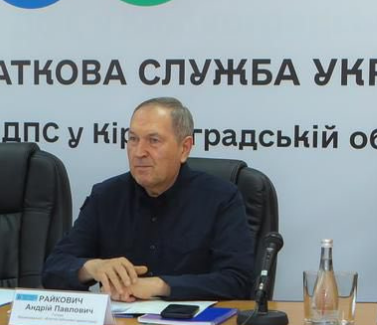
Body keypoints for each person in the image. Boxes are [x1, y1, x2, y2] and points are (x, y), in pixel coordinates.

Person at [42, 97, 253, 301]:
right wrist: (93, 268)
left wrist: (160, 286)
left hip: (193, 324)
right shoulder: (106, 196)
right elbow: (53, 269)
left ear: (184, 148)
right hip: (120, 323)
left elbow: (238, 281)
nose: (139, 152)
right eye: (133, 139)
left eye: (153, 140)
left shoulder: (221, 198)